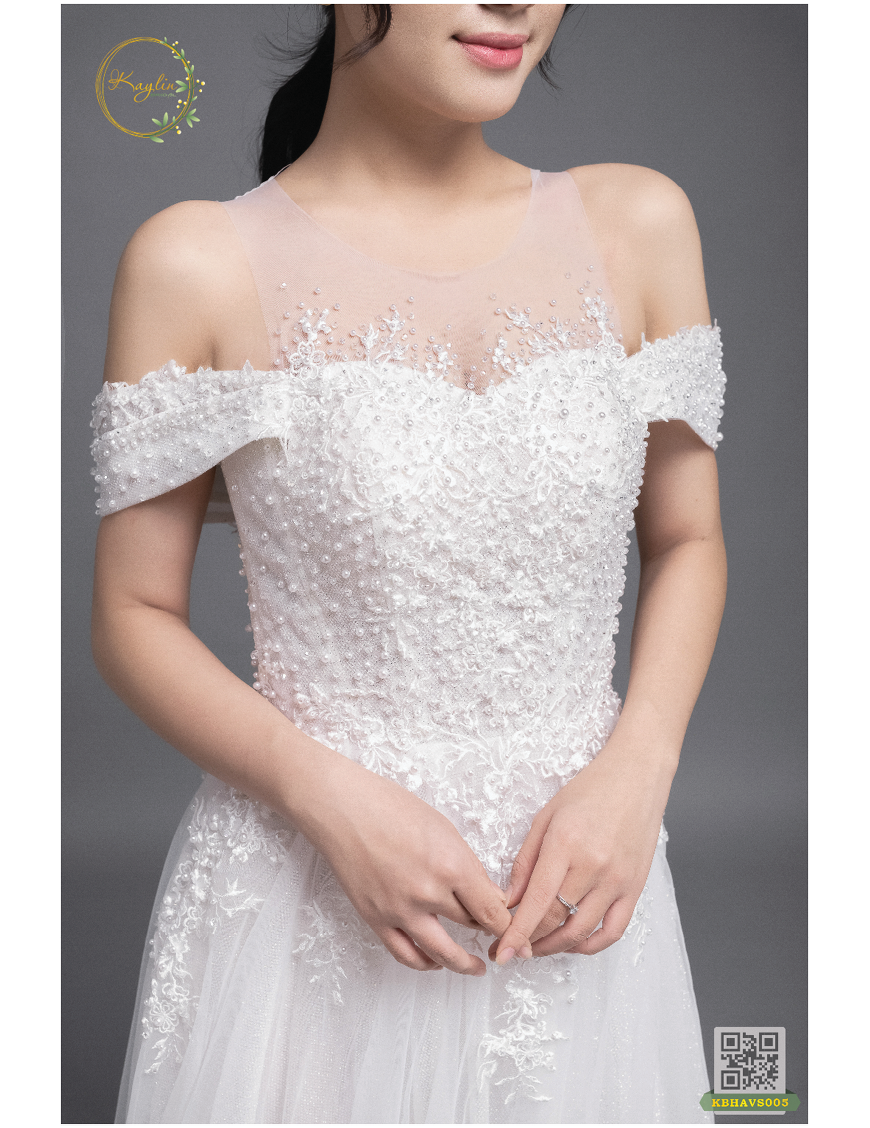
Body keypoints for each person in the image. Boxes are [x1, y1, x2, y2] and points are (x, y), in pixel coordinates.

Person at [91, 4, 726, 1122]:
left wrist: (640, 771)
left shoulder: (639, 223)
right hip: (309, 897)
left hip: (583, 879)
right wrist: (327, 798)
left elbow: (689, 539)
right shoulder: (196, 261)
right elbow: (131, 614)